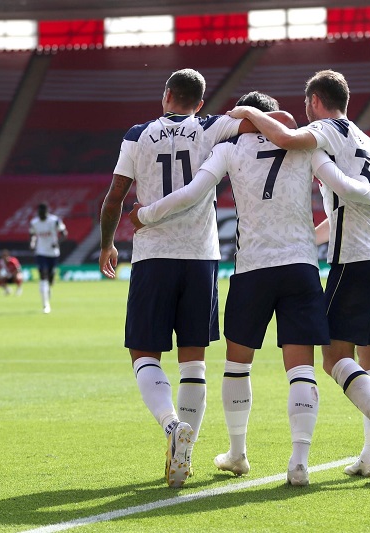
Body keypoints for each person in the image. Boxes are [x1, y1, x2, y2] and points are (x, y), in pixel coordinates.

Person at [130, 91, 370, 485]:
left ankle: (237, 453)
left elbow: (192, 193)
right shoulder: (305, 145)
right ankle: (299, 463)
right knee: (301, 368)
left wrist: (146, 215)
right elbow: (342, 185)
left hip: (253, 268)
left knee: (237, 365)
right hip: (302, 267)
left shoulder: (230, 148)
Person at [228, 70, 370, 479]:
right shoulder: (367, 140)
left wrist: (248, 112)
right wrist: (304, 240)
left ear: (314, 101)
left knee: (333, 357)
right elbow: (346, 206)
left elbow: (288, 140)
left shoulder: (324, 129)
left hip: (356, 259)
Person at [98, 69, 265, 488]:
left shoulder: (137, 134)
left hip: (154, 254)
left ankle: (173, 427)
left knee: (144, 353)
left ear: (167, 94)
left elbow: (115, 196)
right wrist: (239, 111)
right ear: (200, 101)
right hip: (200, 256)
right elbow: (260, 120)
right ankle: (184, 454)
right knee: (194, 360)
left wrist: (107, 244)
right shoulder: (210, 126)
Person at [29, 203, 67, 313]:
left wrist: (57, 243)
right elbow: (32, 235)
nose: (40, 215)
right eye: (39, 213)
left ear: (46, 212)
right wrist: (32, 243)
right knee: (43, 275)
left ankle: (48, 287)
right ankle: (45, 305)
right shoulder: (34, 223)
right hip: (40, 252)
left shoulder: (54, 221)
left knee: (50, 277)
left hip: (53, 253)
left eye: (42, 213)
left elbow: (64, 233)